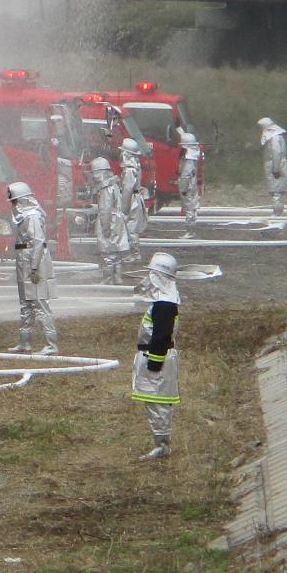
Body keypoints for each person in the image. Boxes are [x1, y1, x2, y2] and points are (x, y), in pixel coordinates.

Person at [130, 253, 181, 460]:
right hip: (154, 356)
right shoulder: (163, 302)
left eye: (152, 274)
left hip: (156, 358)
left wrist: (154, 362)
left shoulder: (164, 305)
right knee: (155, 401)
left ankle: (162, 446)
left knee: (158, 402)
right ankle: (160, 443)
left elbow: (161, 336)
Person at [5, 181, 59, 355]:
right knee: (26, 303)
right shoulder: (24, 217)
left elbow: (37, 242)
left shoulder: (32, 216)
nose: (13, 205)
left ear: (23, 201)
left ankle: (51, 345)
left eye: (15, 201)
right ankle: (25, 343)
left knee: (40, 302)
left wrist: (34, 268)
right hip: (24, 259)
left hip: (33, 260)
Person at [91, 156, 131, 282]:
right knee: (116, 251)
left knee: (107, 250)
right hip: (117, 220)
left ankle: (109, 279)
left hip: (110, 220)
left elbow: (105, 209)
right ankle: (118, 277)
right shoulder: (113, 185)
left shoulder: (105, 189)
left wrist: (105, 227)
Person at [258, 117, 287, 217]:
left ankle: (277, 213)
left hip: (276, 167)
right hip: (277, 166)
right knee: (277, 192)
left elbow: (276, 153)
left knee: (277, 192)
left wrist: (276, 169)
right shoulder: (277, 137)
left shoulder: (274, 138)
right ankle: (277, 212)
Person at [119, 137, 148, 241]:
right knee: (132, 226)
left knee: (131, 228)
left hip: (132, 200)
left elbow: (127, 189)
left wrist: (124, 208)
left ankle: (133, 254)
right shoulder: (135, 166)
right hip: (135, 198)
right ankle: (133, 253)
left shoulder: (129, 170)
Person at [178, 132, 203, 232]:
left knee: (189, 205)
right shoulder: (193, 158)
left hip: (188, 185)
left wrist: (183, 188)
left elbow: (186, 174)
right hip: (192, 184)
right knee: (192, 204)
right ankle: (191, 224)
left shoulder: (188, 160)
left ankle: (190, 229)